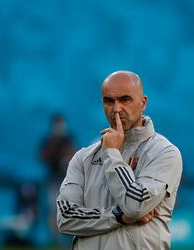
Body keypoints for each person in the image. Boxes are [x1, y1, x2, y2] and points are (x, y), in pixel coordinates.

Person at [56, 70, 183, 249]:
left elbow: (135, 205)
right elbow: (65, 218)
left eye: (125, 99)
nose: (116, 108)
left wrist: (112, 153)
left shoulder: (164, 152)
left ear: (143, 103)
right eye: (109, 101)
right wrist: (117, 216)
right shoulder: (84, 157)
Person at [39, 114, 76, 243]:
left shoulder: (68, 139)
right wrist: (54, 152)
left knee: (71, 206)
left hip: (68, 178)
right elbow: (42, 156)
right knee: (54, 208)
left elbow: (74, 154)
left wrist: (66, 155)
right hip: (54, 179)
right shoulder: (48, 140)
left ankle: (70, 237)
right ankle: (55, 238)